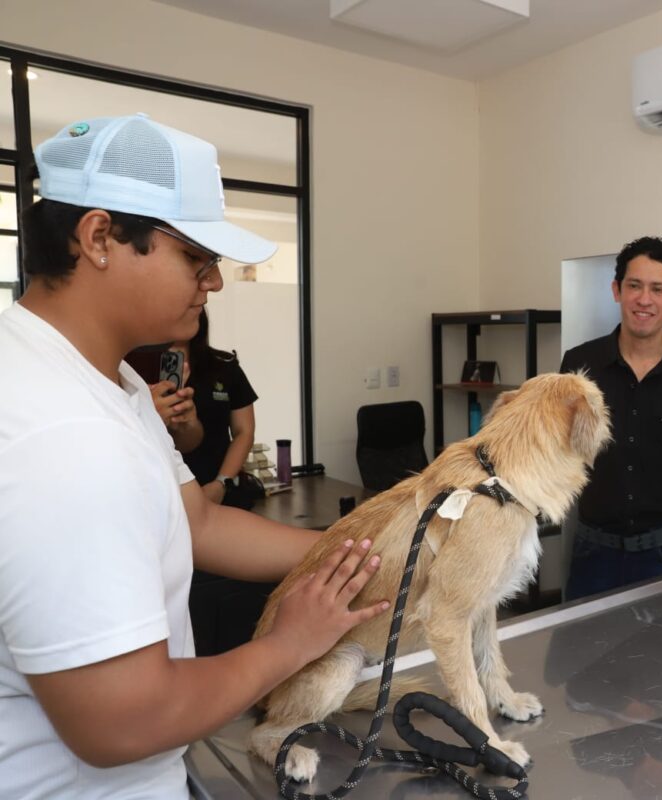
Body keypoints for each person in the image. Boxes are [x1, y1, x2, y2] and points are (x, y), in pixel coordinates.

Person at [0, 113, 390, 798]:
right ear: (99, 238)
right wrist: (290, 643)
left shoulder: (105, 380)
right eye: (195, 258)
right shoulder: (63, 436)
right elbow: (123, 721)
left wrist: (357, 546)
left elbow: (198, 524)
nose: (213, 284)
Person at [560, 235, 662, 600]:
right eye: (634, 286)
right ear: (616, 290)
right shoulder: (578, 366)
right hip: (593, 554)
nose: (644, 299)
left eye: (658, 289)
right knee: (578, 655)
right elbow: (562, 448)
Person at [152, 307, 258, 506]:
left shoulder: (224, 366)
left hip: (218, 489)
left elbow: (244, 431)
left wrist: (220, 483)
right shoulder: (135, 368)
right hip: (160, 493)